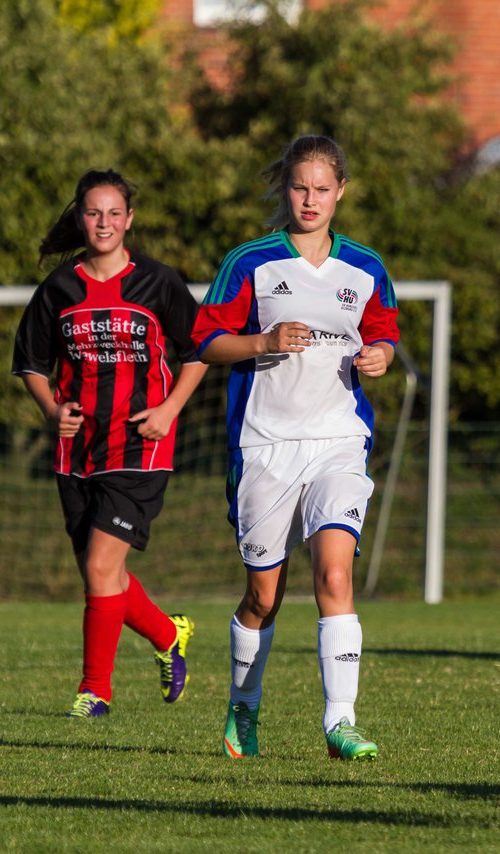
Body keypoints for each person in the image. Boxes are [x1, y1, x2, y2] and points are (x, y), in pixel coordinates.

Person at [191, 135, 399, 761]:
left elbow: (384, 333)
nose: (310, 200)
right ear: (286, 188)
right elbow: (204, 341)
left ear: (341, 192)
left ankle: (341, 722)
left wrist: (380, 355)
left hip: (339, 438)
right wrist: (260, 341)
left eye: (322, 189)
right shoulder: (250, 262)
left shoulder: (365, 267)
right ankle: (243, 707)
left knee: (335, 573)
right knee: (263, 596)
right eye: (299, 188)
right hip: (265, 444)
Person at [12, 169, 207, 718]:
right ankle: (169, 634)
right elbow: (29, 361)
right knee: (105, 577)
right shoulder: (59, 287)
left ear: (130, 220)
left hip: (140, 444)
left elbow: (198, 352)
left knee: (101, 568)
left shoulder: (158, 282)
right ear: (80, 217)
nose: (104, 223)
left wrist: (169, 410)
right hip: (78, 450)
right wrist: (53, 411)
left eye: (114, 213)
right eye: (93, 213)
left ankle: (94, 691)